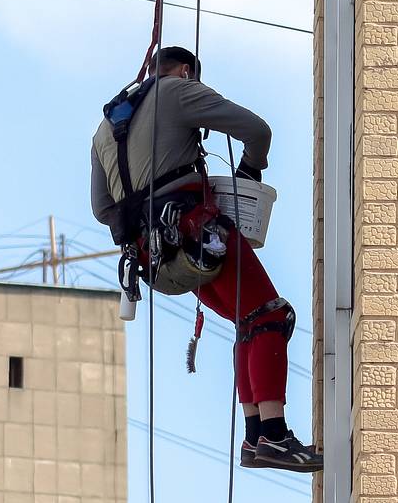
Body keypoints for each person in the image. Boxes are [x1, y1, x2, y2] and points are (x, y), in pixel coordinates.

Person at [91, 46, 322, 474]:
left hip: (157, 255)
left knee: (251, 320)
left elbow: (102, 208)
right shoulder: (177, 91)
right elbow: (257, 130)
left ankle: (255, 439)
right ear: (183, 71)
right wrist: (249, 172)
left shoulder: (106, 129)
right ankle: (272, 435)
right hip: (196, 231)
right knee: (271, 316)